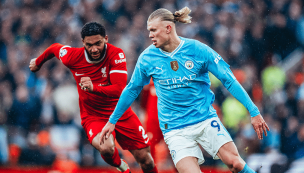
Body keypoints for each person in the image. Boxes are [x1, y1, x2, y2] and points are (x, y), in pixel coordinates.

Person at [100, 7, 270, 173]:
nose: (150, 35)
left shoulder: (197, 50)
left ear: (168, 28)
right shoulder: (147, 58)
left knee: (236, 164)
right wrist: (112, 121)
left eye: (153, 30)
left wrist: (253, 111)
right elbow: (131, 90)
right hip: (175, 130)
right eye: (148, 30)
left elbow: (229, 80)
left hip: (205, 119)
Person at [29, 22, 158, 173]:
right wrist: (38, 62)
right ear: (83, 42)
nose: (94, 49)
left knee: (146, 160)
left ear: (106, 39)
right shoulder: (72, 56)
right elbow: (54, 48)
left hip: (120, 111)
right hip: (93, 116)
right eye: (89, 45)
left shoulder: (116, 54)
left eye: (98, 43)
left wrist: (93, 88)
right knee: (107, 148)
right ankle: (122, 167)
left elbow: (119, 90)